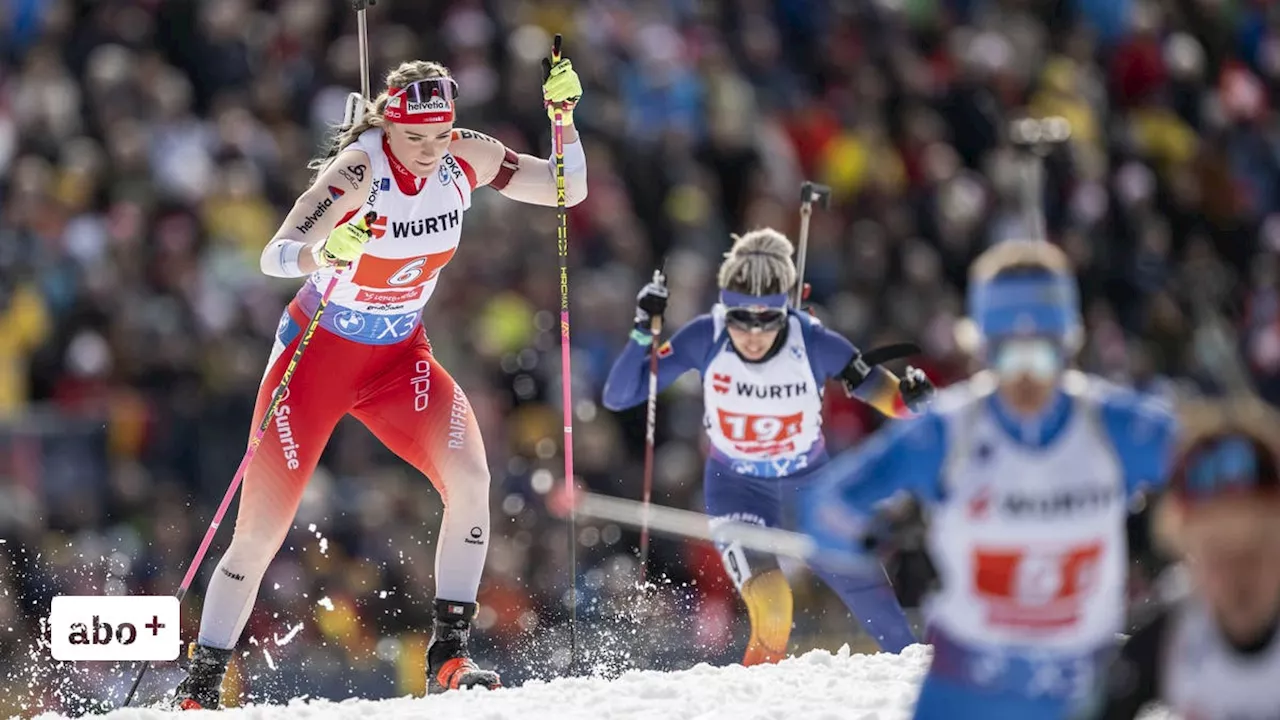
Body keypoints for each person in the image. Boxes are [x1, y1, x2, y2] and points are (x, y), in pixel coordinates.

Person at [169, 56, 587, 709]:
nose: (428, 151)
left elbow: (567, 189)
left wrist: (563, 119)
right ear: (389, 124)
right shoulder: (361, 170)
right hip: (317, 358)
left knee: (472, 481)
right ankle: (201, 684)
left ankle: (450, 654)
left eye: (439, 134)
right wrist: (323, 250)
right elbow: (275, 252)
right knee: (258, 531)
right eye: (414, 137)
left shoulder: (465, 156)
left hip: (398, 358)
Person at [802, 239, 1177, 719]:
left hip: (1079, 696)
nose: (1024, 378)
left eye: (1040, 357)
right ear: (981, 348)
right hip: (964, 695)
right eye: (1005, 357)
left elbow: (1232, 467)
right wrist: (861, 533)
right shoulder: (947, 432)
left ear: (1068, 344)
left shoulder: (1114, 427)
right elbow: (825, 504)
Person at [601, 228, 935, 665]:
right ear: (725, 307)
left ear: (785, 311)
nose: (753, 334)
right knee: (774, 611)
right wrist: (643, 331)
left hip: (809, 490)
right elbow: (619, 395)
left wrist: (911, 397)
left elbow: (889, 398)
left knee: (882, 612)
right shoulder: (706, 337)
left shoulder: (813, 341)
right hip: (738, 492)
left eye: (766, 320)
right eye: (741, 318)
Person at [1073, 397, 1280, 720]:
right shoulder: (1171, 638)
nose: (1239, 576)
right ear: (1186, 554)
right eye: (1216, 553)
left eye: (1255, 550)